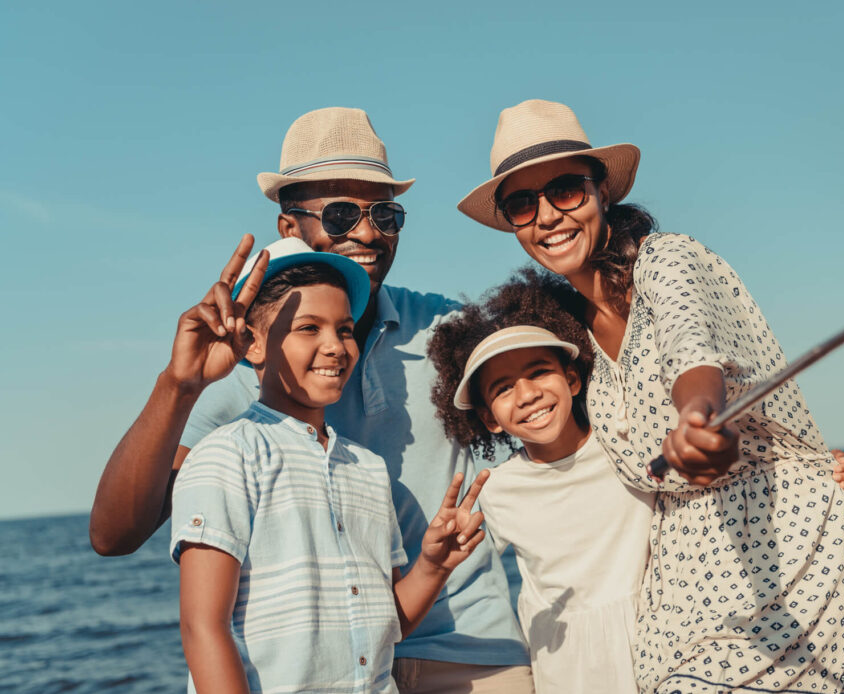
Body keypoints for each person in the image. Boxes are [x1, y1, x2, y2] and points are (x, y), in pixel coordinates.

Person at [90, 107, 533, 693]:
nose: (370, 232)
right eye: (343, 214)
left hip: (472, 651)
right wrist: (180, 385)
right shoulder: (245, 361)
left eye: (386, 214)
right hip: (307, 669)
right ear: (287, 226)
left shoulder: (448, 330)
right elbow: (114, 536)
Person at [456, 100, 844, 693]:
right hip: (679, 580)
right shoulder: (571, 334)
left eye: (566, 190)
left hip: (780, 545)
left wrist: (700, 421)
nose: (547, 215)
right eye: (523, 203)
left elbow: (694, 356)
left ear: (602, 189)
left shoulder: (666, 261)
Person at [173, 238, 489, 693]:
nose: (335, 346)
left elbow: (383, 624)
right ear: (254, 345)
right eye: (308, 328)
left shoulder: (368, 470)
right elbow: (203, 629)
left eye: (344, 329)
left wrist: (434, 567)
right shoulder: (227, 455)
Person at [425, 270, 652, 694]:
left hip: (655, 641)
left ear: (572, 378)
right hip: (565, 665)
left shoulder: (626, 444)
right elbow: (464, 569)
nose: (527, 394)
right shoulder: (496, 490)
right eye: (504, 387)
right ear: (490, 418)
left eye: (539, 372)